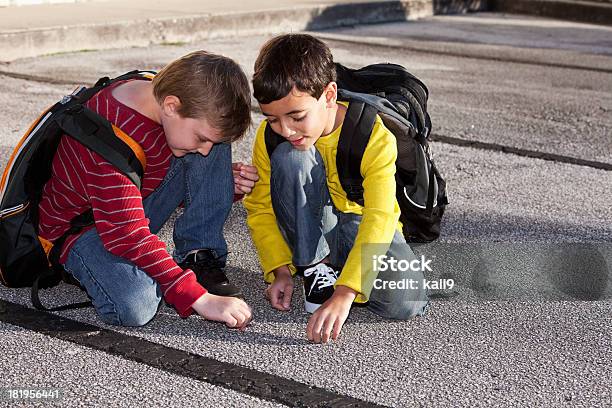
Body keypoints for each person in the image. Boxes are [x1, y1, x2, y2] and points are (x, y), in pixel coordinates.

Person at [38, 50, 256, 328]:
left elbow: (147, 177)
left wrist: (221, 185)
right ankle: (86, 268)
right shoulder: (109, 136)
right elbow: (125, 234)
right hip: (82, 229)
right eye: (200, 139)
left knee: (214, 133)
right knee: (136, 304)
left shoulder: (163, 95)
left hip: (127, 207)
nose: (204, 152)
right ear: (171, 106)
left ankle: (198, 256)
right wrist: (198, 298)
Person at [244, 34, 429, 343]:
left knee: (404, 302)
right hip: (312, 227)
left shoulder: (372, 134)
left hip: (361, 224)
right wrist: (280, 269)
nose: (286, 129)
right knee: (292, 158)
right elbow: (260, 206)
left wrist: (346, 292)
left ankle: (340, 269)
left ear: (329, 95)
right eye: (273, 119)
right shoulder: (271, 136)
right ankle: (314, 267)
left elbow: (380, 217)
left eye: (297, 116)